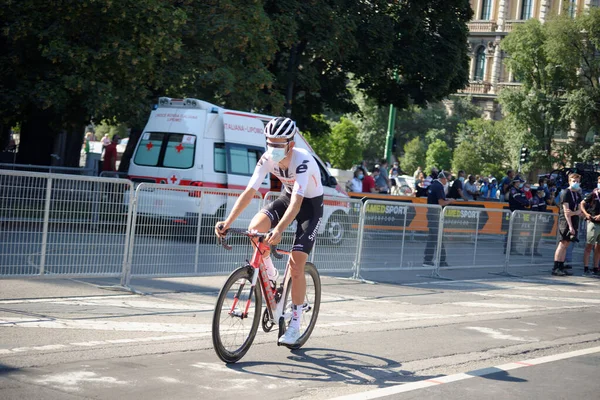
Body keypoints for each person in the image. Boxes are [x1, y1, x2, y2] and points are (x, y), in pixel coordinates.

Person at [215, 117, 323, 346]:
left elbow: (297, 203)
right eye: (269, 143)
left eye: (277, 145)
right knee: (255, 229)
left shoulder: (302, 160)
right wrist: (227, 221)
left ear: (290, 144)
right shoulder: (267, 159)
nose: (272, 149)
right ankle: (271, 275)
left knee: (296, 265)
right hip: (286, 198)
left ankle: (294, 323)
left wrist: (280, 229)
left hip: (309, 207)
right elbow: (249, 191)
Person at [552, 173, 582, 276]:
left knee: (567, 244)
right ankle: (556, 267)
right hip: (565, 222)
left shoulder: (577, 194)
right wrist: (570, 226)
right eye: (574, 181)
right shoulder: (565, 193)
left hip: (574, 220)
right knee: (562, 243)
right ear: (569, 181)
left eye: (577, 181)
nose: (576, 183)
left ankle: (561, 265)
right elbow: (566, 212)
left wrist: (574, 213)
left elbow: (579, 211)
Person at [423, 172, 452, 267]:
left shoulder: (433, 185)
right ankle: (441, 260)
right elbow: (441, 202)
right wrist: (450, 201)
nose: (447, 181)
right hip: (435, 215)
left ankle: (427, 260)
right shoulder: (438, 187)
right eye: (447, 179)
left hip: (432, 213)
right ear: (443, 178)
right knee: (439, 238)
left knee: (432, 238)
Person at [580, 176, 600, 275]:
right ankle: (586, 267)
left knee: (598, 247)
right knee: (589, 246)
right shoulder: (593, 194)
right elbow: (582, 203)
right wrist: (586, 214)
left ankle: (596, 267)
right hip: (593, 222)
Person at [505, 177, 530, 255]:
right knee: (511, 231)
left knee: (517, 231)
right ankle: (508, 249)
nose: (520, 184)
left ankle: (514, 248)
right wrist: (524, 202)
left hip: (519, 212)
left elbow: (525, 199)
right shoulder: (513, 190)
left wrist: (526, 202)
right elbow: (518, 199)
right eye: (519, 182)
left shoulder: (519, 191)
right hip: (514, 212)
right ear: (515, 182)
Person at [525, 188, 547, 257]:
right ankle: (527, 250)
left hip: (540, 220)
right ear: (539, 192)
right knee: (532, 235)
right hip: (535, 220)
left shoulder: (541, 199)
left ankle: (535, 250)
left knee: (538, 236)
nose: (543, 193)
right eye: (542, 191)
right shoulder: (535, 199)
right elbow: (535, 210)